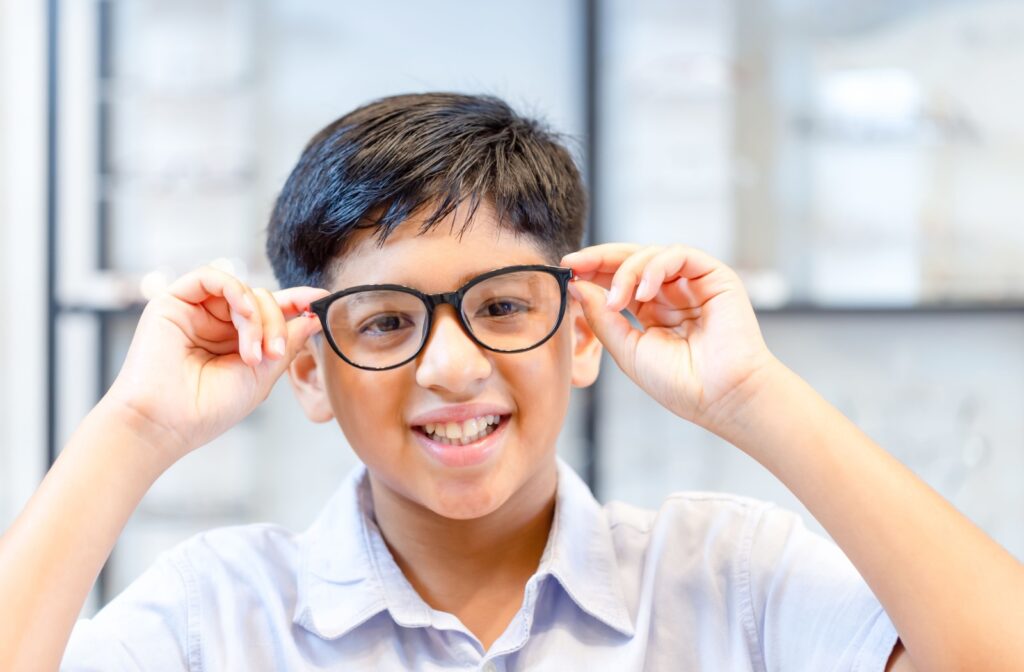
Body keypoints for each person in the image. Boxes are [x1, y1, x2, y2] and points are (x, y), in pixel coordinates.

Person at [1, 93, 1021, 671]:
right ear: (309, 367)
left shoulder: (727, 579)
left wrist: (752, 394)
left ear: (580, 332)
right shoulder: (214, 617)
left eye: (500, 308)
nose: (452, 367)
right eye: (389, 321)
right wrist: (133, 425)